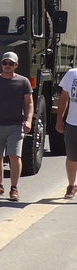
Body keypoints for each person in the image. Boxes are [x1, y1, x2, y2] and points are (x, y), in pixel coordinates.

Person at [0, 51, 33, 202]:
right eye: (5, 63)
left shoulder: (23, 82)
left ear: (16, 65)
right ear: (1, 64)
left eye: (10, 64)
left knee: (15, 156)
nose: (7, 66)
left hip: (15, 125)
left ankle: (14, 188)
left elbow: (29, 103)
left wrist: (28, 121)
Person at [55, 65, 77, 200]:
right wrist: (59, 119)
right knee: (72, 157)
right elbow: (64, 97)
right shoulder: (72, 74)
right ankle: (71, 185)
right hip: (72, 123)